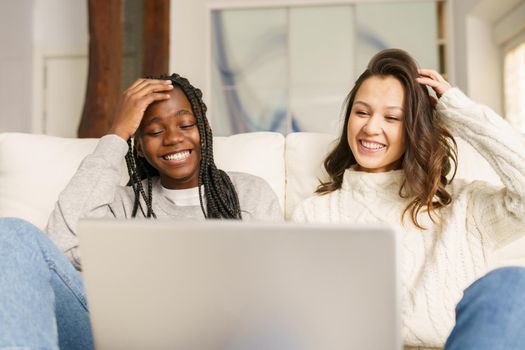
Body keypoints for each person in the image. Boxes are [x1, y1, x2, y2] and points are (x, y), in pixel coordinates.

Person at [0, 73, 281, 349]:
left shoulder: (248, 193)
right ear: (139, 148)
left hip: (221, 337)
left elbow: (271, 289)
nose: (172, 138)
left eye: (185, 124)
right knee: (11, 233)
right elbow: (62, 243)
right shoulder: (122, 203)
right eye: (155, 131)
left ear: (205, 130)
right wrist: (117, 134)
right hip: (121, 337)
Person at [292, 48, 525, 350]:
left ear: (415, 128)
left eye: (392, 117)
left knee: (513, 285)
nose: (371, 128)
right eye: (361, 112)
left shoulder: (464, 206)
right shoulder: (315, 214)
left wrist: (459, 109)